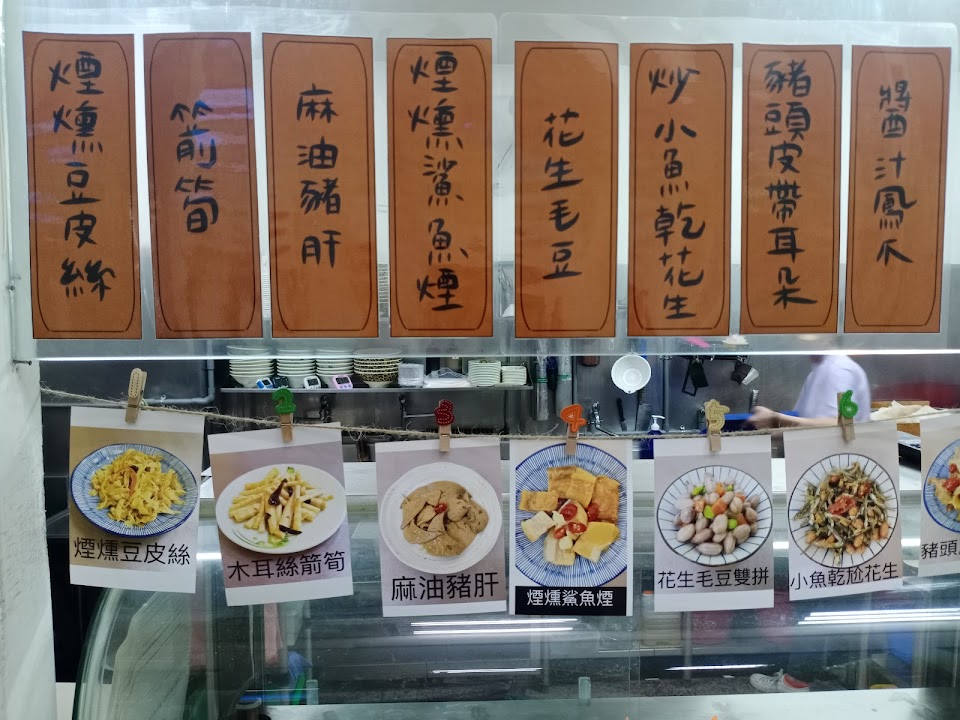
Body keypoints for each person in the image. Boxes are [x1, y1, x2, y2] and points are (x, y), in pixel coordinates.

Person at [748, 354, 871, 430]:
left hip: (837, 461)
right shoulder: (817, 373)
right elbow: (803, 426)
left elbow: (840, 426)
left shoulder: (839, 369)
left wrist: (775, 419)